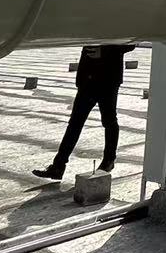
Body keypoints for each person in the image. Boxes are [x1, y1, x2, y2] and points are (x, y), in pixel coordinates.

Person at [33, 44, 133, 180]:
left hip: (108, 80)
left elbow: (130, 44)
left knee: (109, 121)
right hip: (87, 79)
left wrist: (104, 52)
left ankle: (109, 160)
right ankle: (58, 166)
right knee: (75, 123)